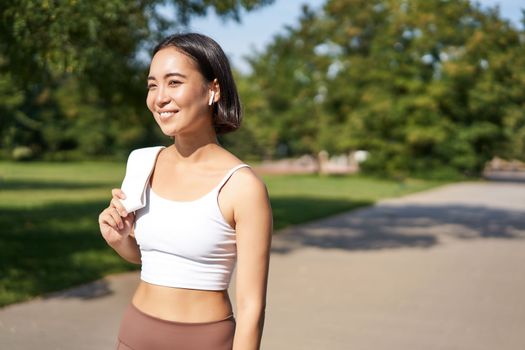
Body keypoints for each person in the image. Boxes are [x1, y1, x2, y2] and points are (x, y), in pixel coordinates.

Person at [98, 33, 273, 350]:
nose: (159, 98)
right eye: (152, 85)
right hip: (135, 334)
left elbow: (251, 308)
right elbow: (153, 261)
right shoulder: (142, 163)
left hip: (204, 340)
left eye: (174, 82)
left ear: (213, 90)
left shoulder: (242, 186)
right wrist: (120, 240)